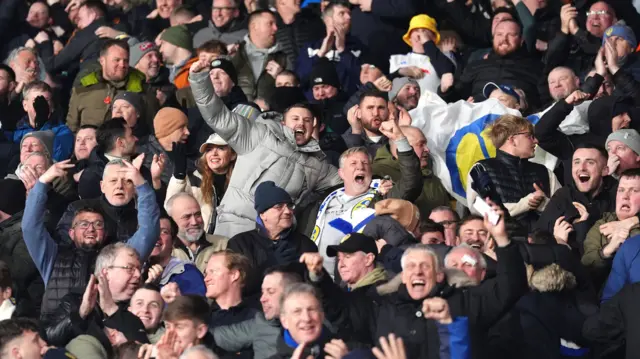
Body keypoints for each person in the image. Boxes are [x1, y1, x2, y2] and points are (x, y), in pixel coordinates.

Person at [302, 200, 526, 358]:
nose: (417, 272)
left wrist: (501, 238)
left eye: (424, 266)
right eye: (411, 267)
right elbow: (341, 312)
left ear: (439, 274)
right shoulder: (382, 307)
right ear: (403, 275)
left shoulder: (466, 302)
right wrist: (318, 277)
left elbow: (512, 286)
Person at [189, 58, 342, 238]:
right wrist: (199, 79)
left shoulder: (318, 165)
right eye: (296, 119)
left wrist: (380, 184)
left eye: (307, 120)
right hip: (233, 228)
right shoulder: (257, 134)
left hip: (274, 238)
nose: (301, 123)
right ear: (283, 122)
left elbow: (348, 179)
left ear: (314, 126)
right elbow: (218, 116)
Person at [23, 159, 159, 321]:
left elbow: (148, 231)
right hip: (57, 334)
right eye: (83, 224)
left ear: (105, 232)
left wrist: (142, 187)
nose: (91, 229)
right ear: (71, 233)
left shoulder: (117, 260)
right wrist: (42, 182)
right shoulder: (52, 257)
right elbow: (30, 227)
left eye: (98, 224)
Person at [312, 141, 422, 275]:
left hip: (356, 278)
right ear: (341, 173)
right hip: (318, 276)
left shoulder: (383, 198)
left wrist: (399, 139)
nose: (360, 167)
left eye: (365, 163)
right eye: (353, 163)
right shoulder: (324, 200)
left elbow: (411, 182)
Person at [466, 115, 561, 231]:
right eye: (530, 136)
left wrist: (544, 204)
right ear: (512, 140)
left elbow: (563, 211)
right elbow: (480, 211)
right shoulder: (481, 169)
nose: (536, 141)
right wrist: (524, 205)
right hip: (500, 245)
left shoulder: (545, 172)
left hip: (543, 244)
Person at [47, 243, 149, 348]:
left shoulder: (141, 307)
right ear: (106, 273)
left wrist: (113, 311)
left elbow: (143, 351)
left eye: (139, 269)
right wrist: (81, 314)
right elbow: (50, 339)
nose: (138, 274)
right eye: (129, 268)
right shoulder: (75, 301)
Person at [228, 181, 317, 293]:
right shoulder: (240, 243)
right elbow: (236, 288)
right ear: (262, 214)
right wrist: (270, 264)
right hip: (253, 308)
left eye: (289, 206)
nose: (288, 211)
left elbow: (315, 288)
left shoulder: (305, 244)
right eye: (279, 207)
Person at [439, 19, 543, 109]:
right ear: (493, 39)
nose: (504, 39)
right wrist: (445, 90)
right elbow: (455, 98)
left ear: (521, 40)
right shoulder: (476, 65)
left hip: (516, 121)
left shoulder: (535, 67)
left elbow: (544, 102)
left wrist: (524, 107)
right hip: (477, 118)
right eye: (499, 34)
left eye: (511, 35)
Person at [536, 145, 616, 255]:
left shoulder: (617, 194)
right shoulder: (563, 195)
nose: (582, 167)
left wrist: (581, 225)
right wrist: (557, 240)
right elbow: (538, 236)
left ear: (605, 170)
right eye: (576, 162)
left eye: (590, 162)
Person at [66, 39, 159, 133]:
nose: (122, 65)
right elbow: (71, 128)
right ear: (102, 61)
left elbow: (152, 128)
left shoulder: (143, 90)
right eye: (117, 60)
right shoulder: (83, 88)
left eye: (126, 60)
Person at [210, 267, 302, 359]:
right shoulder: (261, 323)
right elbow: (215, 336)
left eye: (270, 292)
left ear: (291, 294)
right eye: (262, 292)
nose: (262, 299)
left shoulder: (310, 324)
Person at [373, 125, 449, 219]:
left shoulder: (431, 177)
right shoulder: (378, 174)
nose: (427, 149)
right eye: (421, 145)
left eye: (426, 144)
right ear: (402, 147)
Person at [165, 133, 236, 234]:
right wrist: (178, 177)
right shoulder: (193, 179)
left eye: (220, 148)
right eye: (209, 150)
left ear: (233, 155)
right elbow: (170, 207)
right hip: (206, 242)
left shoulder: (241, 179)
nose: (214, 153)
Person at [582, 168, 640, 289]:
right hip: (608, 299)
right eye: (621, 190)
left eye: (634, 190)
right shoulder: (603, 224)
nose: (625, 196)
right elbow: (587, 263)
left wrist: (632, 227)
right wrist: (608, 250)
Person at [266, 283, 351, 359]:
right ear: (284, 321)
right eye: (297, 311)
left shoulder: (348, 349)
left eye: (311, 309)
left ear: (322, 315)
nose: (306, 318)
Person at [230, 10, 288, 101]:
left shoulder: (283, 57)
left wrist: (281, 78)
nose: (276, 28)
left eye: (275, 24)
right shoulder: (234, 53)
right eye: (270, 24)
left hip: (270, 113)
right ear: (254, 26)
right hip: (237, 111)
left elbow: (292, 93)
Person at [390, 14, 455, 94]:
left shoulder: (444, 57)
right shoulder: (396, 59)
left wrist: (427, 43)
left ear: (434, 37)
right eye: (416, 30)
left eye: (424, 31)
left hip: (435, 105)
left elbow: (448, 73)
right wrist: (400, 72)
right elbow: (385, 84)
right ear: (409, 37)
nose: (420, 35)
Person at [10, 81, 73, 162]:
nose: (41, 105)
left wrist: (41, 126)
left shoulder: (63, 131)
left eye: (46, 100)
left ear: (52, 105)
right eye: (36, 100)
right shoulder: (17, 132)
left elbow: (58, 159)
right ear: (25, 105)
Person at [166, 192, 228, 273]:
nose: (194, 222)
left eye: (197, 214)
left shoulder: (224, 245)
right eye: (186, 217)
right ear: (172, 221)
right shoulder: (164, 251)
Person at [146, 216, 206, 297]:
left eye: (164, 232)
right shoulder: (134, 271)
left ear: (173, 241)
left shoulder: (189, 274)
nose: (156, 236)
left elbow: (196, 308)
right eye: (150, 230)